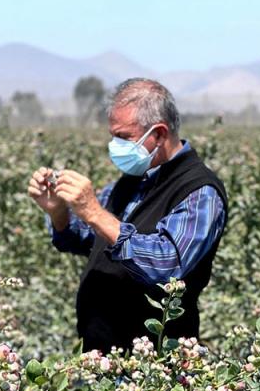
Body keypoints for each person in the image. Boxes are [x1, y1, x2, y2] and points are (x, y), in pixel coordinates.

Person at [27, 78, 228, 353]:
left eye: (123, 137)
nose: (114, 146)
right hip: (102, 357)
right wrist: (59, 211)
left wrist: (94, 212)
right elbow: (86, 239)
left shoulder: (199, 191)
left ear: (158, 134)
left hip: (154, 372)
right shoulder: (134, 180)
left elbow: (167, 265)